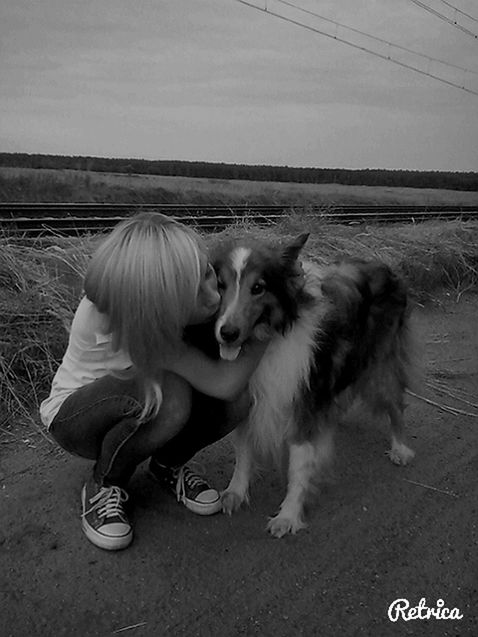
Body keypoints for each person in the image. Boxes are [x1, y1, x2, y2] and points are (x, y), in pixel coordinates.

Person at [40, 212, 268, 551]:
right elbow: (222, 383)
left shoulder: (152, 303)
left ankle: (167, 465)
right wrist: (267, 333)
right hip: (76, 420)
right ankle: (105, 483)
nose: (214, 295)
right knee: (170, 395)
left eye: (209, 274)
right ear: (156, 303)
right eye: (195, 291)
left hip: (135, 406)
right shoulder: (133, 323)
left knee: (240, 399)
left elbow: (230, 387)